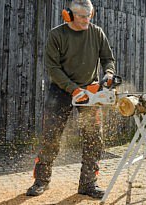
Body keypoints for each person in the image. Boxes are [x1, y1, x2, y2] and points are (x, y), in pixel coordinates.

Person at [26, 0, 115, 199]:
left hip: (90, 90)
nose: (87, 20)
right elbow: (53, 68)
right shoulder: (57, 34)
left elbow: (108, 58)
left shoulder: (97, 32)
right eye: (82, 16)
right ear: (68, 15)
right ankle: (42, 180)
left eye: (89, 15)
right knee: (51, 136)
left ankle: (88, 183)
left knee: (94, 139)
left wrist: (108, 73)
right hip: (60, 91)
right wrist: (73, 89)